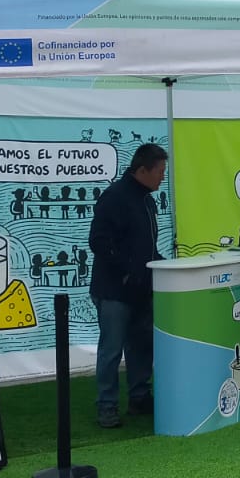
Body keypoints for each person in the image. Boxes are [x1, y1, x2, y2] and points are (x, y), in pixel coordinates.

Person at [88, 142, 168, 427]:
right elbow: (98, 241)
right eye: (160, 172)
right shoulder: (115, 197)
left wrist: (162, 265)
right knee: (112, 349)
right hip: (114, 290)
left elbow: (147, 246)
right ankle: (106, 406)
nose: (162, 177)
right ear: (142, 170)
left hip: (141, 288)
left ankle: (139, 396)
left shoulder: (147, 199)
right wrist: (128, 270)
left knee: (141, 344)